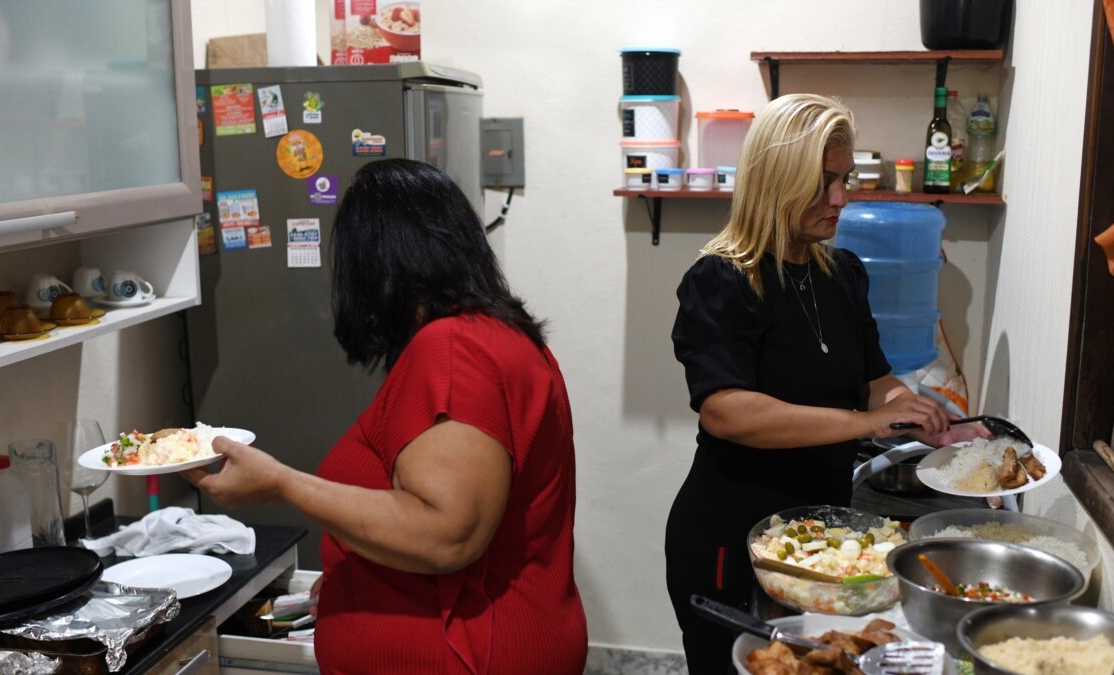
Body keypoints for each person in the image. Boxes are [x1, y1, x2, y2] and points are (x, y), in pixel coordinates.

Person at [184, 159, 587, 674]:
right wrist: (362, 570)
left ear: (373, 265)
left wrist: (284, 485)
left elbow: (448, 534)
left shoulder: (451, 351)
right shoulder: (495, 332)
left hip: (468, 655)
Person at [665, 93, 984, 673]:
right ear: (776, 180)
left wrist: (918, 414)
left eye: (844, 179)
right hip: (732, 536)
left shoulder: (843, 275)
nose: (840, 199)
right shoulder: (721, 281)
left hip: (826, 538)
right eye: (821, 183)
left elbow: (873, 381)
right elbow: (727, 412)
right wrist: (868, 422)